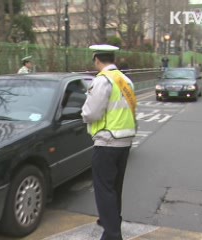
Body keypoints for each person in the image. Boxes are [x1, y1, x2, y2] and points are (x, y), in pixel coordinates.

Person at [82, 44, 137, 240]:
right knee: (115, 187)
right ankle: (111, 220)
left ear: (97, 59)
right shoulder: (126, 80)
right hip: (125, 141)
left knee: (104, 190)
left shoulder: (103, 81)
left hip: (107, 141)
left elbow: (91, 113)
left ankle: (112, 234)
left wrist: (83, 114)